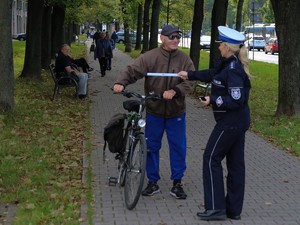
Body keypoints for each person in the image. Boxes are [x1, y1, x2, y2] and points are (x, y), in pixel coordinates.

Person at [113, 24, 195, 199]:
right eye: (171, 36)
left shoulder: (184, 59)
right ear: (162, 38)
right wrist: (121, 82)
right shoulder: (150, 57)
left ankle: (177, 183)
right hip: (154, 110)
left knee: (178, 147)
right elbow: (132, 70)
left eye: (177, 36)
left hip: (176, 112)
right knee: (151, 147)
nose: (175, 40)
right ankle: (152, 182)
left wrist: (175, 91)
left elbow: (190, 80)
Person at [178, 26, 251, 220]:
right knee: (235, 165)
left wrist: (213, 100)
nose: (218, 47)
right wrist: (189, 75)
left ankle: (216, 208)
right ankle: (233, 210)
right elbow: (212, 74)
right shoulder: (227, 64)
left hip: (231, 122)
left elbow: (237, 100)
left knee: (211, 159)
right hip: (236, 122)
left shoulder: (233, 69)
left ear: (227, 47)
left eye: (220, 44)